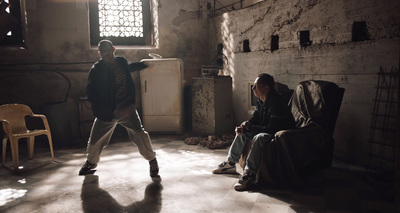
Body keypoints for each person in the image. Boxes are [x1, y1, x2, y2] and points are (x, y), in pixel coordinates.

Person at [79, 40, 160, 182]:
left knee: (140, 134)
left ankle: (152, 160)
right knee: (95, 141)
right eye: (101, 51)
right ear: (99, 53)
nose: (104, 53)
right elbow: (92, 94)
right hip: (108, 112)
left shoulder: (121, 62)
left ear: (113, 49)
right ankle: (91, 162)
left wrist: (144, 65)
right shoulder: (97, 70)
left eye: (107, 50)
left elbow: (128, 68)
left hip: (127, 109)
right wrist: (112, 110)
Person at [213, 73, 294, 191]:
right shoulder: (261, 100)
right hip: (268, 129)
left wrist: (250, 128)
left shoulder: (277, 103)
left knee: (259, 137)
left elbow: (272, 128)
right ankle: (230, 163)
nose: (253, 88)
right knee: (243, 132)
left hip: (278, 132)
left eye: (256, 86)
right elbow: (256, 118)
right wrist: (247, 124)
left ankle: (249, 174)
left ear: (267, 88)